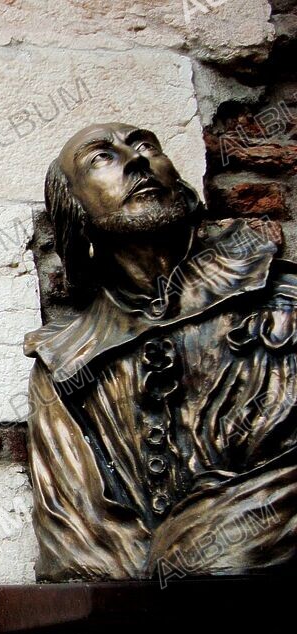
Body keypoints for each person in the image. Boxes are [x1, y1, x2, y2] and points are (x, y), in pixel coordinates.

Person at [26, 122, 297, 581]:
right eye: (101, 158)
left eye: (145, 145)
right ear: (75, 211)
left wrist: (203, 535)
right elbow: (77, 539)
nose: (135, 160)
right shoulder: (67, 364)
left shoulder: (280, 297)